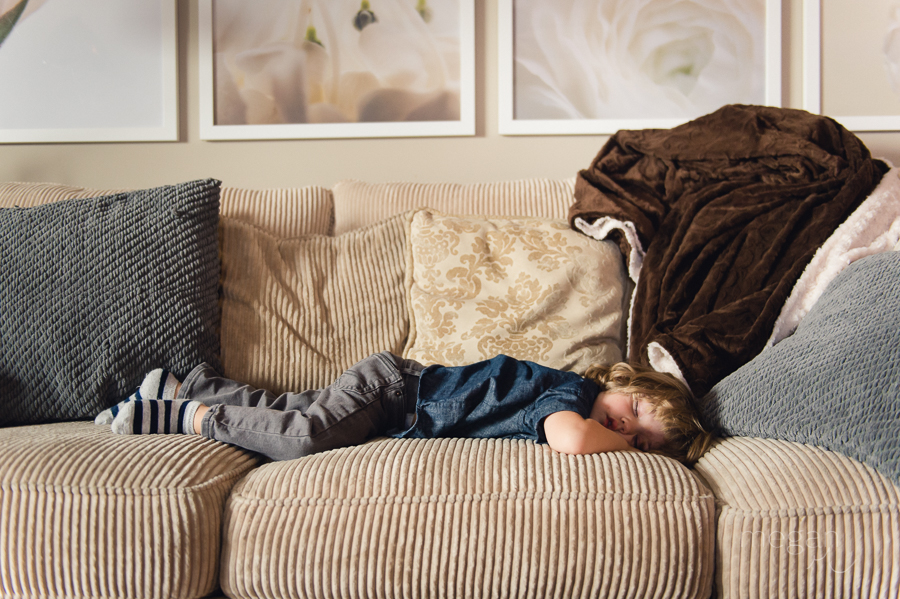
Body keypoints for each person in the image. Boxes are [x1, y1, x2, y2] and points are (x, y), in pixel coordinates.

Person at [96, 351, 713, 466]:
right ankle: (183, 418)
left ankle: (187, 386)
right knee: (304, 435)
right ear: (618, 380)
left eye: (642, 439)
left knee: (290, 409)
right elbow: (574, 442)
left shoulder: (581, 403)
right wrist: (625, 443)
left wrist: (634, 440)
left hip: (394, 400)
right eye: (633, 407)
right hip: (395, 393)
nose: (626, 426)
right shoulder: (570, 396)